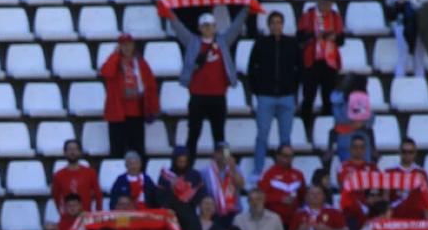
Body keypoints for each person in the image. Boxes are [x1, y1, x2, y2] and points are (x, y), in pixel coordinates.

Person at [170, 9, 248, 156]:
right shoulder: (192, 42)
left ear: (215, 26)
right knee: (193, 134)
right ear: (199, 28)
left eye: (211, 25)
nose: (208, 28)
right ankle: (188, 168)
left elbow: (236, 27)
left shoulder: (223, 41)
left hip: (218, 96)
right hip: (197, 96)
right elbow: (178, 28)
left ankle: (224, 168)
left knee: (220, 136)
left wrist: (245, 10)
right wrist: (168, 13)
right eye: (205, 26)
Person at [245, 10, 302, 172]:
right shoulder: (261, 43)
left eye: (279, 22)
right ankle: (258, 171)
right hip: (266, 96)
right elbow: (252, 69)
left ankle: (284, 171)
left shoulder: (292, 43)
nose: (276, 25)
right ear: (269, 25)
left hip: (286, 96)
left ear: (282, 25)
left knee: (285, 138)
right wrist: (258, 90)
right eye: (273, 22)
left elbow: (299, 68)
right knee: (262, 136)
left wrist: (293, 87)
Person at [99, 34, 158, 160]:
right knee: (117, 151)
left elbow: (151, 85)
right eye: (123, 45)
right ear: (119, 46)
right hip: (117, 113)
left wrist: (153, 107)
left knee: (137, 151)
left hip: (136, 113)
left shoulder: (141, 63)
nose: (126, 48)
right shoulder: (114, 61)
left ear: (133, 46)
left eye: (129, 44)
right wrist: (115, 55)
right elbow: (106, 72)